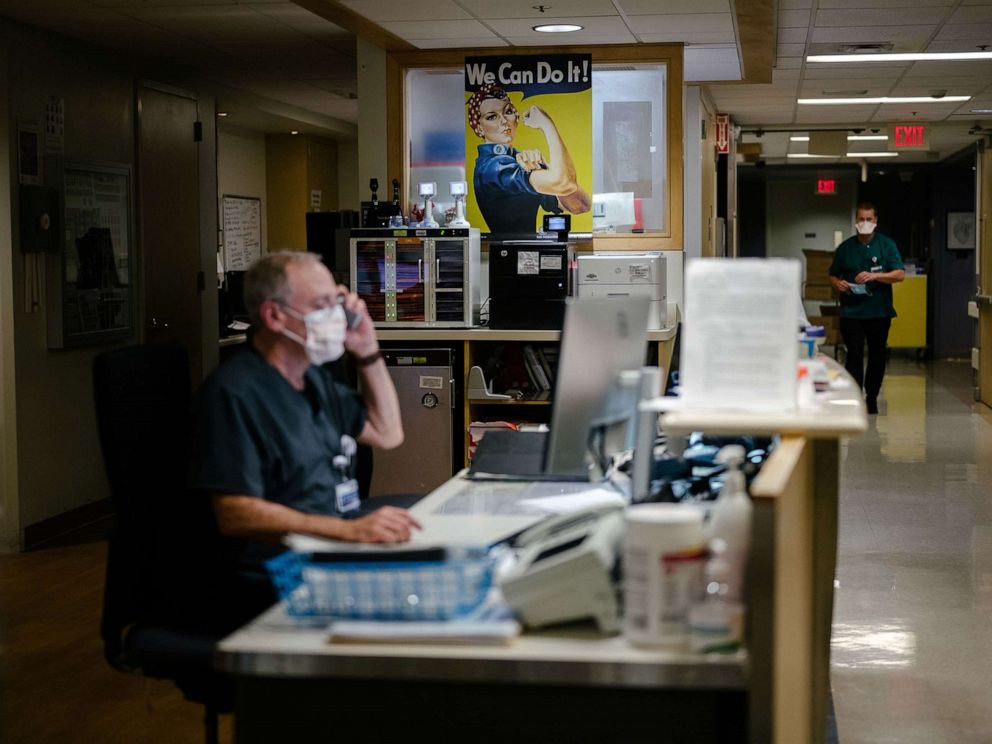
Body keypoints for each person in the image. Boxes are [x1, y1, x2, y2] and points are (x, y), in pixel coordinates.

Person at [188, 251, 421, 631]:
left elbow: (387, 432)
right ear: (274, 316)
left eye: (337, 302)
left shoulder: (313, 379)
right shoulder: (234, 393)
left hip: (328, 546)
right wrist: (347, 530)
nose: (336, 315)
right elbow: (236, 513)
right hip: (274, 573)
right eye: (322, 305)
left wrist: (367, 351)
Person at [467, 83, 590, 234]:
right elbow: (564, 183)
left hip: (531, 251)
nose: (504, 121)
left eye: (508, 111)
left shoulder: (516, 160)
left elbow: (580, 205)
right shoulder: (492, 168)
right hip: (506, 252)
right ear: (478, 127)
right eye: (492, 117)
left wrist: (545, 169)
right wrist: (547, 125)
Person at [828, 202, 905, 414]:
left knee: (877, 354)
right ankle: (855, 397)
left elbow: (899, 274)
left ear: (875, 221)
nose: (865, 223)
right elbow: (833, 275)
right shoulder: (846, 248)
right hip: (852, 312)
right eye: (861, 219)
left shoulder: (886, 245)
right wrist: (838, 284)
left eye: (869, 219)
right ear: (855, 222)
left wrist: (875, 276)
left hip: (879, 311)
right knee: (853, 354)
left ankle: (871, 396)